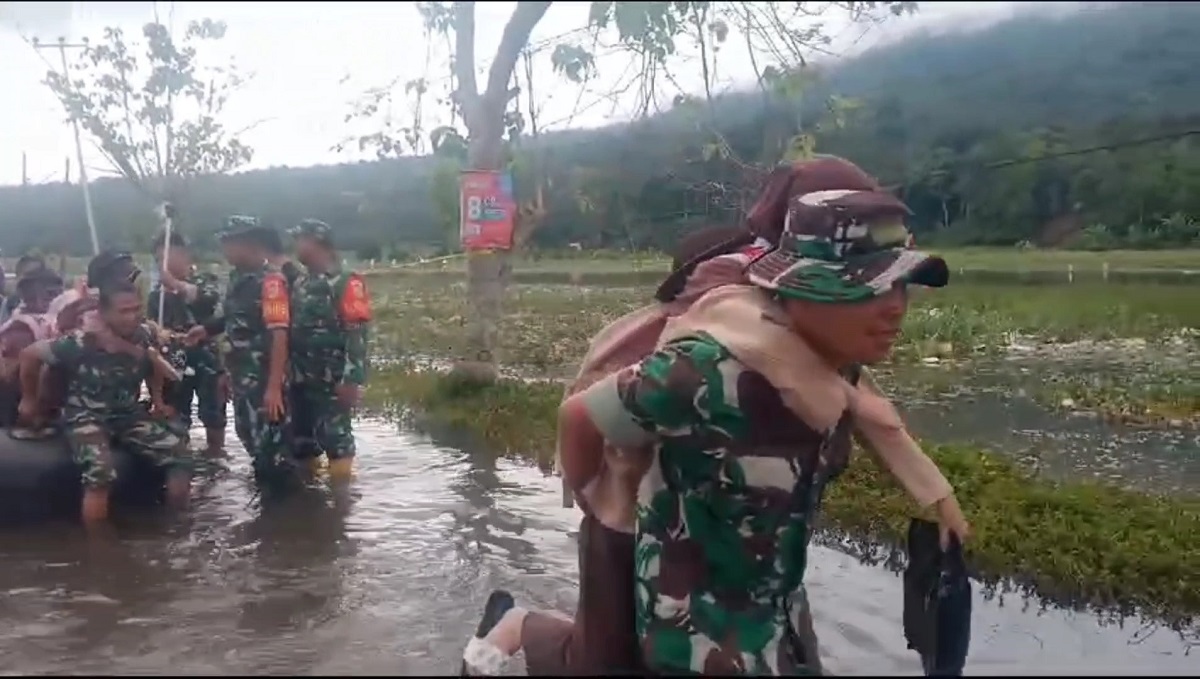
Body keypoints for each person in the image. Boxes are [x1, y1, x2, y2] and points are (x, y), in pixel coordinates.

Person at [554, 171, 971, 676]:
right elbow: (580, 415)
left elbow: (880, 424)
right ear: (799, 291)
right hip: (695, 640)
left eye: (903, 286)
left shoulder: (835, 366)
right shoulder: (708, 369)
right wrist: (587, 491)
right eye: (870, 288)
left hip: (775, 609)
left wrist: (937, 499)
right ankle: (507, 632)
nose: (895, 309)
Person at [16, 280, 192, 524]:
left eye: (136, 309)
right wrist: (28, 399)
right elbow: (30, 355)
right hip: (86, 416)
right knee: (100, 473)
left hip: (127, 414)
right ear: (105, 313)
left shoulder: (146, 335)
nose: (132, 317)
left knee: (180, 455)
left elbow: (156, 367)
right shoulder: (82, 342)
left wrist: (157, 400)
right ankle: (99, 548)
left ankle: (178, 526)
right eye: (123, 311)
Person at [185, 216, 292, 485]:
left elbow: (279, 333)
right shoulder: (236, 279)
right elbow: (232, 321)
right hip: (242, 378)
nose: (225, 249)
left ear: (250, 244)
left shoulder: (271, 282)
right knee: (248, 437)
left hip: (264, 380)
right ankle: (266, 512)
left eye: (229, 243)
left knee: (271, 451)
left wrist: (274, 387)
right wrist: (207, 330)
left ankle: (283, 510)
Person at [287, 219, 371, 481]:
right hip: (301, 378)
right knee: (302, 440)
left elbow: (357, 334)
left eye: (300, 240)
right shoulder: (301, 283)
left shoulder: (346, 282)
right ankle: (313, 504)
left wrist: (352, 379)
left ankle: (342, 504)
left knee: (337, 440)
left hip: (331, 379)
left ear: (316, 243)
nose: (296, 245)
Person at [148, 230, 228, 453]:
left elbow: (207, 300)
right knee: (175, 414)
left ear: (182, 254)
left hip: (207, 358)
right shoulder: (157, 296)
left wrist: (175, 284)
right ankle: (182, 458)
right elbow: (151, 325)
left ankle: (216, 458)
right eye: (157, 259)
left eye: (164, 256)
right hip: (174, 360)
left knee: (213, 413)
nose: (160, 263)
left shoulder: (204, 280)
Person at [0, 268, 62, 429]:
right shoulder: (20, 327)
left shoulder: (51, 319)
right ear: (27, 295)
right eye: (50, 294)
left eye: (58, 294)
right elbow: (11, 375)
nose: (55, 300)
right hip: (18, 401)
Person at [0, 254, 49, 324]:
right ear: (17, 278)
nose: (32, 282)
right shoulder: (8, 305)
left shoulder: (51, 305)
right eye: (28, 277)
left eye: (36, 277)